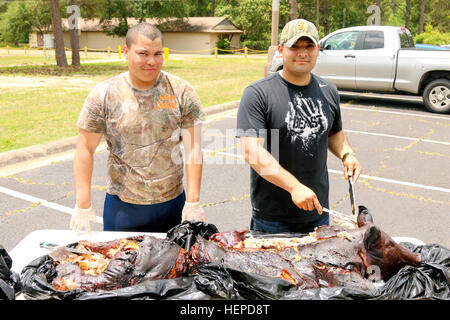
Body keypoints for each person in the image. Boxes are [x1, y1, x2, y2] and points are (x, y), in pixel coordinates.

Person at [71, 23, 205, 234]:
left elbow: (193, 148)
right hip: (123, 208)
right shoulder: (104, 94)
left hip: (172, 204)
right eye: (143, 54)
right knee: (120, 264)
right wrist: (82, 204)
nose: (151, 61)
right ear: (125, 52)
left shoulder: (182, 91)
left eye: (157, 53)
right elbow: (84, 149)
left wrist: (193, 201)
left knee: (175, 265)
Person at [236, 19, 363, 234]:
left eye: (309, 46)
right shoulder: (258, 93)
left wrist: (347, 154)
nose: (302, 53)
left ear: (318, 50)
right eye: (294, 46)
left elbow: (334, 133)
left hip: (318, 212)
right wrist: (293, 187)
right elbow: (252, 152)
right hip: (272, 218)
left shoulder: (328, 90)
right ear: (280, 49)